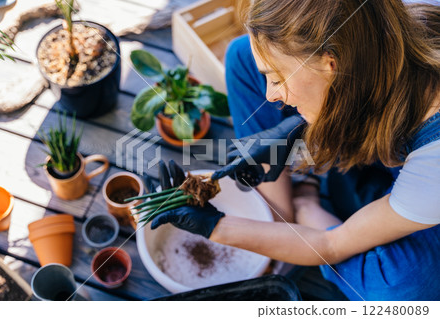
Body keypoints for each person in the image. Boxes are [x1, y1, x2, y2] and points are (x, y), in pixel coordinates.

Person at [150, 0, 440, 300]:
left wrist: (215, 226)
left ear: (331, 65)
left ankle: (306, 205)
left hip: (424, 204)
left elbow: (333, 245)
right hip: (388, 143)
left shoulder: (433, 167)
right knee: (241, 56)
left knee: (401, 292)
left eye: (276, 79)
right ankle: (281, 213)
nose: (269, 94)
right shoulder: (376, 31)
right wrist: (296, 130)